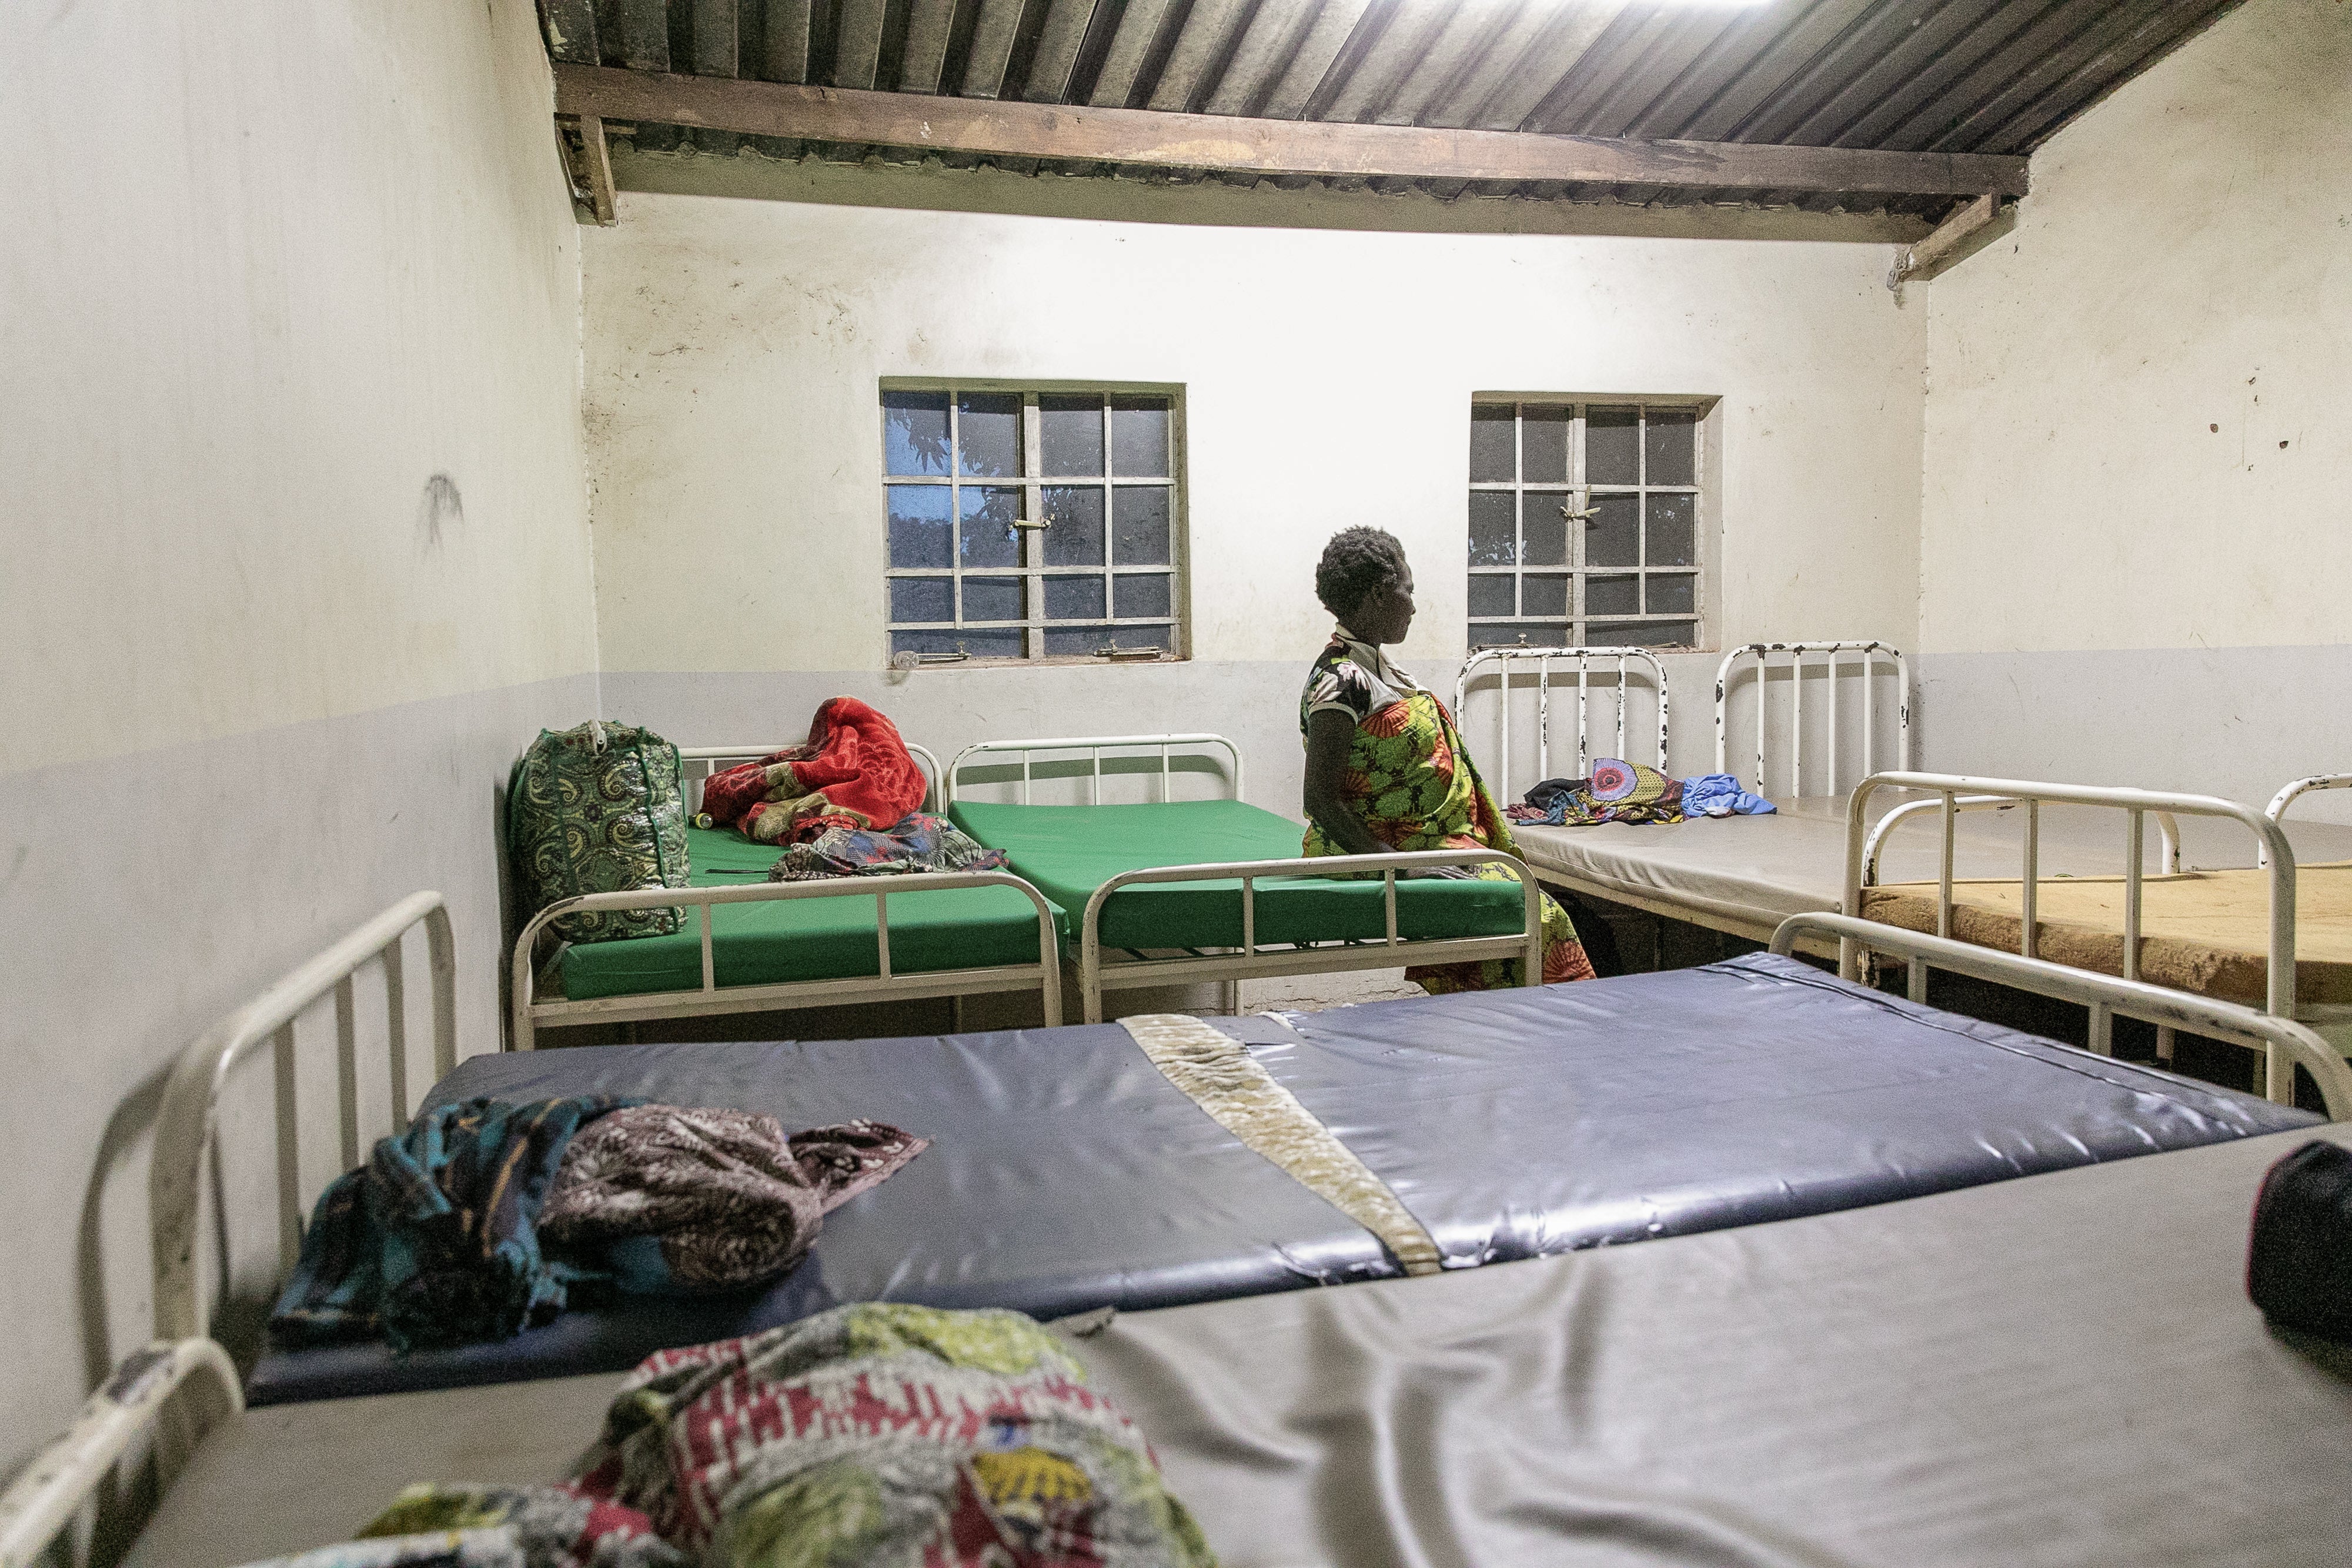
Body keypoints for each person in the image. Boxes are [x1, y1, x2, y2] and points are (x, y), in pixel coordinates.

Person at [1299, 526, 1595, 991]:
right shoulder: (1341, 682)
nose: (1413, 607)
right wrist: (1401, 865)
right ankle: (1552, 1023)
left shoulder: (1379, 669)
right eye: (1408, 591)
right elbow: (1320, 798)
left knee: (1538, 909)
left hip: (1425, 843)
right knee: (1539, 915)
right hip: (1376, 852)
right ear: (1378, 594)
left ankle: (1497, 1022)